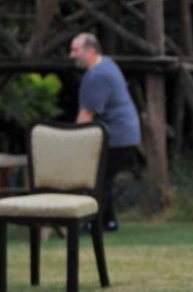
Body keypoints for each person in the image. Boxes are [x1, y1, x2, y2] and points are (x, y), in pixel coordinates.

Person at [69, 32, 142, 232]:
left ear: (90, 51)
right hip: (126, 135)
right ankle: (108, 222)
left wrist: (69, 144)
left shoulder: (96, 75)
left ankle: (94, 223)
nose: (71, 55)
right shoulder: (108, 64)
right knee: (103, 178)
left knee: (97, 179)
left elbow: (86, 116)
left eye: (75, 50)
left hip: (117, 136)